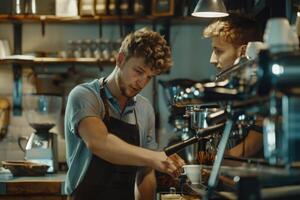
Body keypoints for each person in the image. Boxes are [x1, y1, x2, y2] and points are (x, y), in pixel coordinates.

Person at [64, 28, 185, 200]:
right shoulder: (84, 95)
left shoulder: (144, 109)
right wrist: (154, 157)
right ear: (120, 60)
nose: (142, 83)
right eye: (139, 71)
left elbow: (145, 174)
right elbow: (100, 142)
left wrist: (152, 162)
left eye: (149, 77)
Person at [203, 14, 263, 157]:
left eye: (219, 51)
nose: (212, 59)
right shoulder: (231, 87)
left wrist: (217, 163)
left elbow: (255, 141)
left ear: (243, 52)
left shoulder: (260, 87)